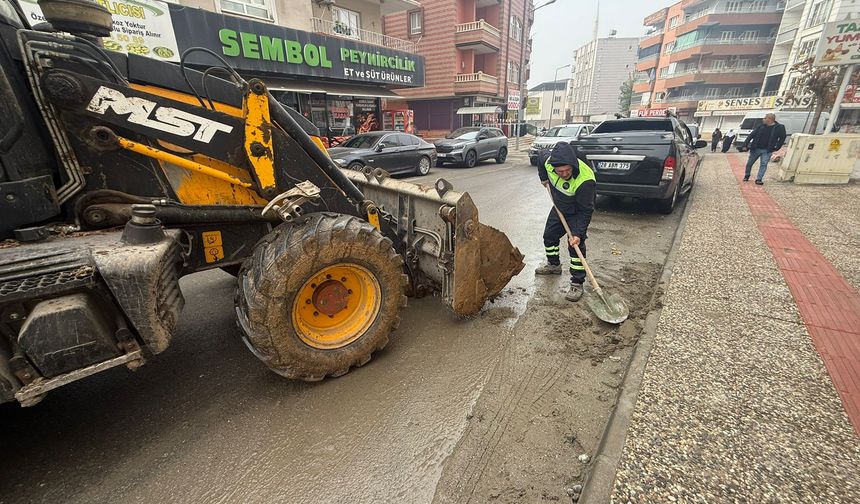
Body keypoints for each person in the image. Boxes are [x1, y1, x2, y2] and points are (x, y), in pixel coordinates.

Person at [534, 142, 596, 302]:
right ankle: (554, 265)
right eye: (560, 171)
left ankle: (577, 282)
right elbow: (540, 158)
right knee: (549, 236)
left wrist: (578, 233)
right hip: (560, 206)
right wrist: (543, 178)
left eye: (568, 170)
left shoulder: (585, 180)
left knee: (575, 246)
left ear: (573, 164)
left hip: (577, 210)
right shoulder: (548, 161)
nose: (564, 174)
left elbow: (586, 210)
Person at [741, 113, 786, 185]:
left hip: (767, 150)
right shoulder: (760, 126)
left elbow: (782, 137)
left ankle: (759, 179)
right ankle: (747, 174)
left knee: (763, 164)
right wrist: (745, 145)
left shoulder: (779, 127)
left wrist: (777, 147)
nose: (763, 119)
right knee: (749, 163)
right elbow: (751, 135)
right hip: (756, 148)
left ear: (770, 119)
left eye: (765, 118)